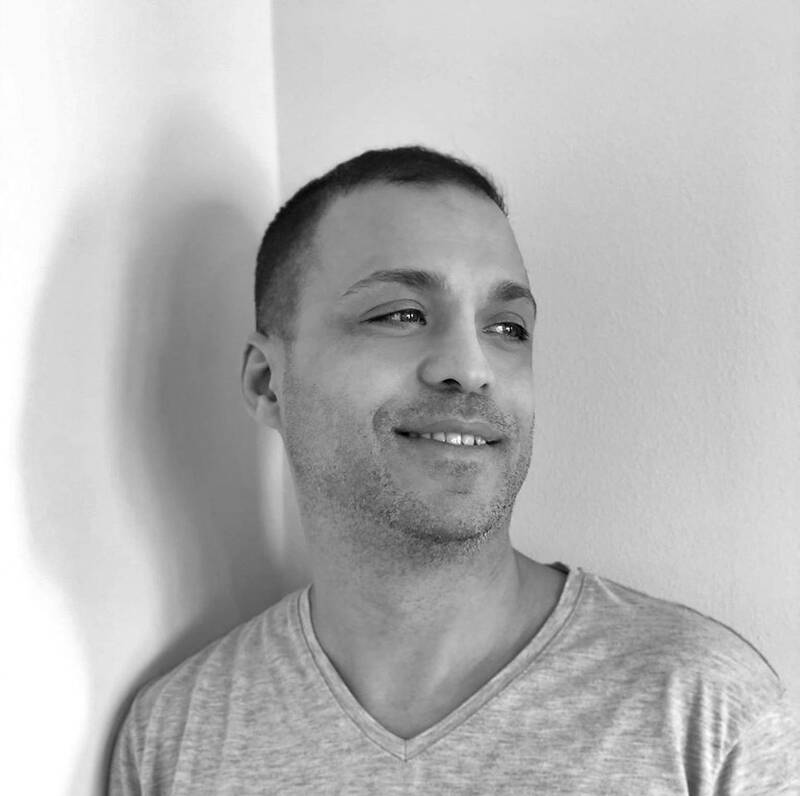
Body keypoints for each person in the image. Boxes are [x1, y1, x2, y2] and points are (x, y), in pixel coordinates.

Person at [109, 146, 799, 794]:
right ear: (268, 383)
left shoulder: (705, 711)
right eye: (400, 314)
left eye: (507, 328)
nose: (472, 368)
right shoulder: (178, 735)